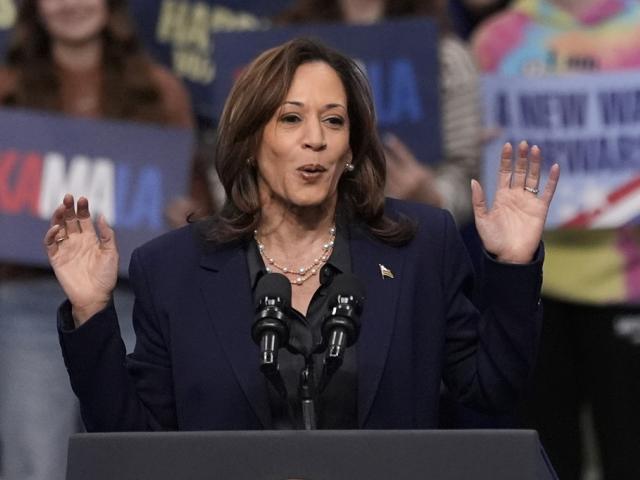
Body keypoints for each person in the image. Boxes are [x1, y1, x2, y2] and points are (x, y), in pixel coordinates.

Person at [46, 38, 558, 431]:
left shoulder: (421, 246)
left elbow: (491, 392)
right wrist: (91, 311)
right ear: (250, 141)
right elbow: (132, 437)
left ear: (351, 150)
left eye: (333, 122)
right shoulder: (174, 268)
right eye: (291, 118)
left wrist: (513, 265)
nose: (315, 139)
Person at [0, 1, 194, 478]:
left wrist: (181, 216)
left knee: (130, 460)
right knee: (35, 464)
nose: (71, 5)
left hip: (129, 301)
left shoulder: (160, 91)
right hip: (28, 303)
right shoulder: (6, 92)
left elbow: (197, 207)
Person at [472, 1, 640, 478]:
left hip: (628, 283)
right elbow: (470, 158)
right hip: (534, 288)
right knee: (547, 459)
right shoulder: (497, 39)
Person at [278, 0, 483, 227]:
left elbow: (465, 174)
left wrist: (432, 197)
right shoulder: (281, 49)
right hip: (298, 231)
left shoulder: (446, 57)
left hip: (404, 236)